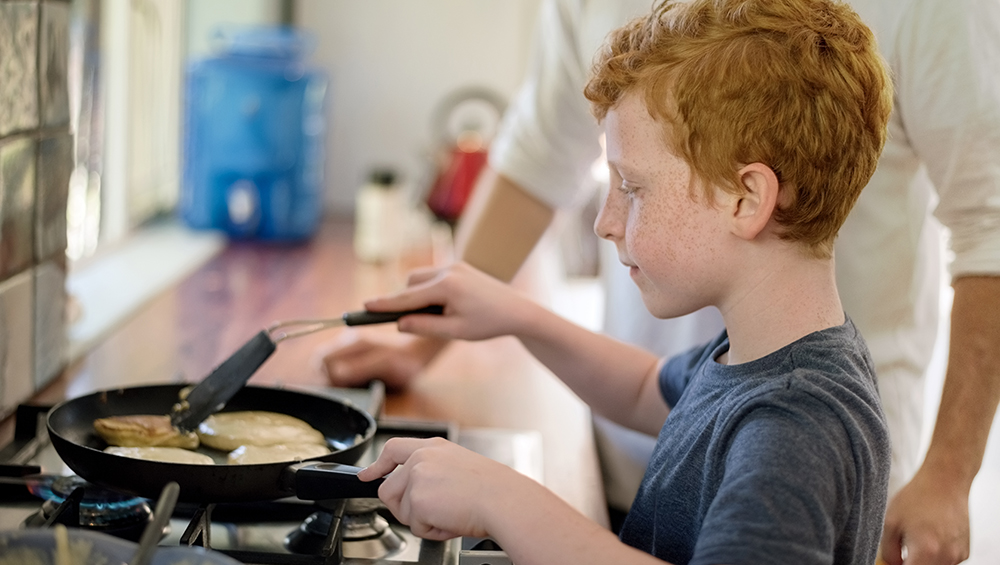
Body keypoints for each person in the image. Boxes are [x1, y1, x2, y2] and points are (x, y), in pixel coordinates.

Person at [322, 0, 1000, 562]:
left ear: (746, 200)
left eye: (631, 187)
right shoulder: (762, 352)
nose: (605, 222)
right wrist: (516, 315)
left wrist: (503, 497)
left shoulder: (794, 430)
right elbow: (647, 388)